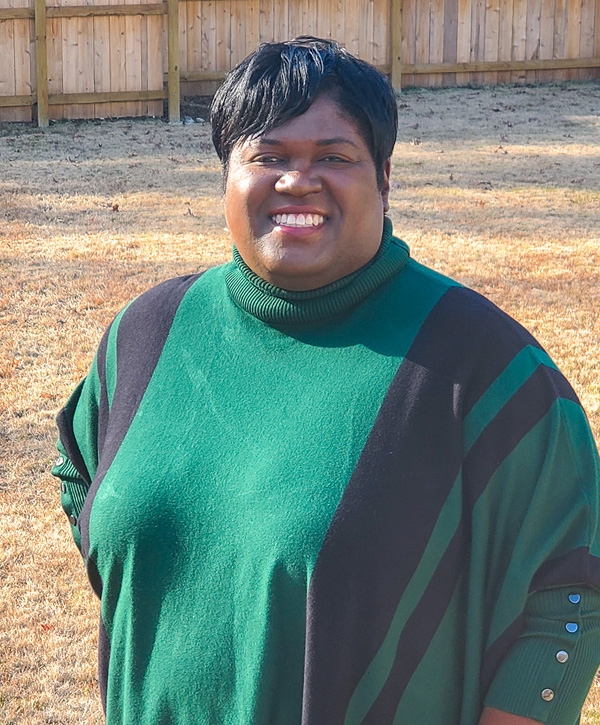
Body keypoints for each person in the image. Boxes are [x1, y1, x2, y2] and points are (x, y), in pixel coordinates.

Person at [52, 37, 600, 725]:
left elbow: (571, 591)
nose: (297, 180)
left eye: (334, 157)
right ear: (227, 173)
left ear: (385, 177)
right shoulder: (148, 332)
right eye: (269, 155)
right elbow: (77, 470)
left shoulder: (481, 364)